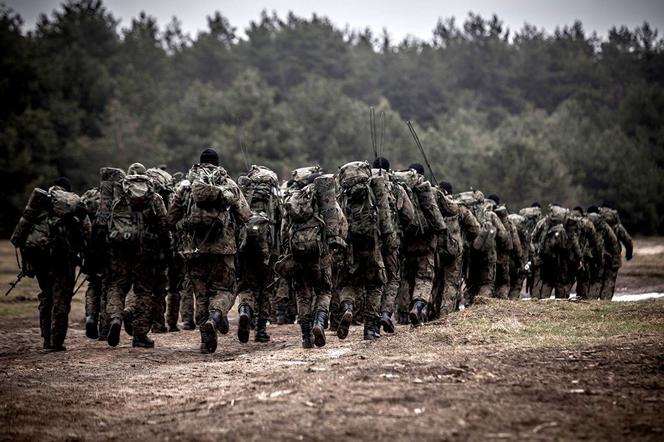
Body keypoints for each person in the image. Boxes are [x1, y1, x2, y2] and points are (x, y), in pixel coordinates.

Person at [168, 148, 251, 353]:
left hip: (193, 250)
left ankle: (205, 341)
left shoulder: (186, 186)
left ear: (200, 162)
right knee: (224, 290)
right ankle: (214, 319)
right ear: (217, 163)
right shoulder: (228, 184)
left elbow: (171, 218)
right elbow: (244, 216)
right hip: (223, 250)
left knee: (201, 294)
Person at [11, 177, 89, 351]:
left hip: (39, 258)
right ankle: (56, 342)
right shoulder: (72, 206)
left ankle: (46, 340)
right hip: (63, 259)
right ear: (67, 192)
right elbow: (86, 231)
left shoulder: (39, 204)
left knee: (46, 296)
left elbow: (23, 232)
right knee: (61, 298)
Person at [104, 165, 170, 348]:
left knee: (117, 285)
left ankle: (116, 319)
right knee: (143, 291)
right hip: (145, 251)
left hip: (118, 249)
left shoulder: (119, 195)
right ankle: (139, 335)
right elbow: (164, 226)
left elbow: (104, 221)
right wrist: (165, 251)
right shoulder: (153, 197)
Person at [278, 166, 344, 348]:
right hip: (321, 256)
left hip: (298, 255)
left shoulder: (293, 200)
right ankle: (319, 322)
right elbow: (341, 224)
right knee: (323, 291)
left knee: (302, 295)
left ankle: (306, 336)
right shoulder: (326, 201)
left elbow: (284, 231)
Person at [336, 161, 393, 340]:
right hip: (373, 245)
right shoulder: (375, 190)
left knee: (348, 283)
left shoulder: (341, 195)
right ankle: (370, 329)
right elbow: (386, 219)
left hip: (350, 246)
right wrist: (389, 243)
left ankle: (348, 308)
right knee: (375, 285)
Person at [236, 166, 282, 343]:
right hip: (268, 251)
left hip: (246, 248)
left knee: (247, 286)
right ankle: (261, 330)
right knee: (266, 289)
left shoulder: (244, 195)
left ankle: (245, 311)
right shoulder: (274, 197)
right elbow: (281, 224)